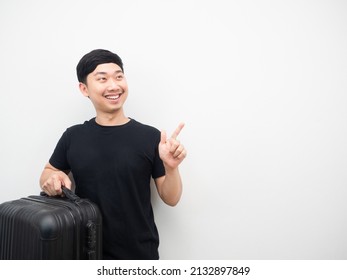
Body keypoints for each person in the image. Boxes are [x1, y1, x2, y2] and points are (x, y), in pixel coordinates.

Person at [39, 49, 187, 260]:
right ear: (84, 89)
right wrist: (52, 179)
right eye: (102, 78)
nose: (114, 85)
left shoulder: (150, 136)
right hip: (85, 252)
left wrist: (172, 167)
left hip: (139, 256)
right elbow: (48, 172)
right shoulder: (73, 136)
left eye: (119, 76)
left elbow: (171, 198)